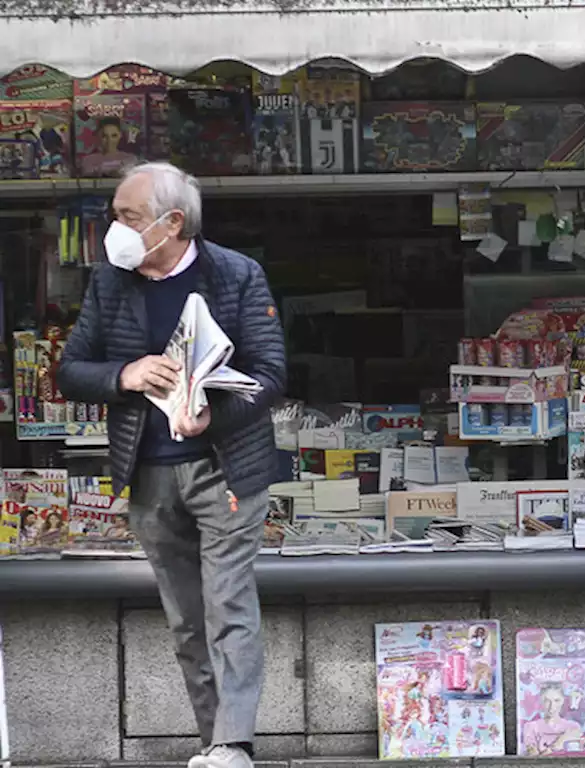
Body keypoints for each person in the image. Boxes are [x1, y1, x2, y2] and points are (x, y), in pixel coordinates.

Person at [58, 162, 285, 768]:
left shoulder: (236, 274)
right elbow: (69, 370)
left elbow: (270, 374)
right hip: (150, 471)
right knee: (187, 618)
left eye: (128, 218)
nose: (116, 229)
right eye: (115, 216)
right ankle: (214, 740)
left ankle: (235, 743)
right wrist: (124, 375)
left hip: (226, 468)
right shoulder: (111, 283)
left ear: (172, 222)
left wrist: (215, 415)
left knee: (229, 606)